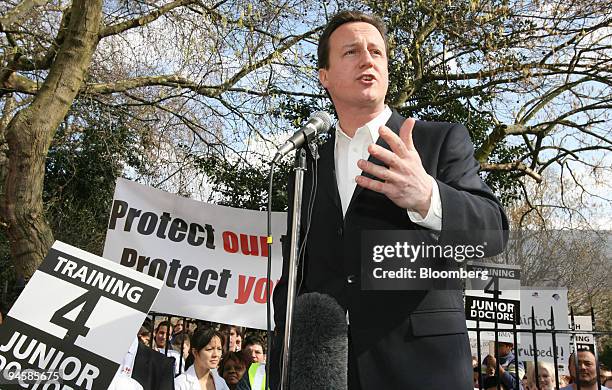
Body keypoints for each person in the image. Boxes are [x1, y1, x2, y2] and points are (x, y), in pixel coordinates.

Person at [270, 9, 508, 390]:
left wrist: (427, 196)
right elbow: (295, 278)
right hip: (327, 374)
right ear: (324, 76)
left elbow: (492, 234)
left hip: (421, 370)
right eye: (351, 52)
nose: (367, 59)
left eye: (376, 52)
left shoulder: (438, 140)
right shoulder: (307, 168)